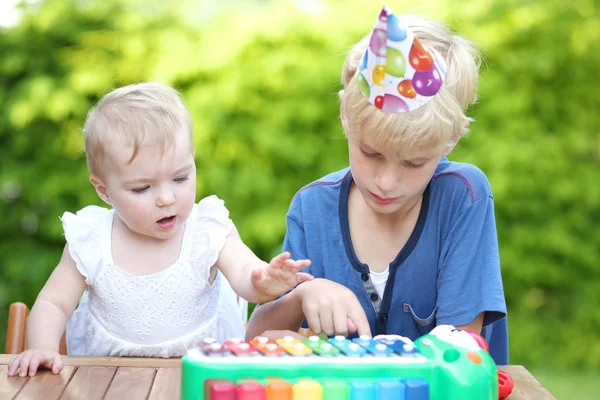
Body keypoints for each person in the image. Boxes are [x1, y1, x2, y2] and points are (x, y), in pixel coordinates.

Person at [246, 6, 509, 364]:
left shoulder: (462, 195)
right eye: (370, 153)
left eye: (414, 162)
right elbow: (256, 340)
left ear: (451, 141)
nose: (385, 182)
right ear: (344, 115)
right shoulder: (311, 207)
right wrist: (305, 294)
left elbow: (458, 357)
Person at [7, 82, 312, 377]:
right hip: (106, 383)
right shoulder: (92, 239)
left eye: (180, 178)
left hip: (200, 381)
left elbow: (245, 273)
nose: (167, 198)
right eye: (142, 188)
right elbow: (53, 302)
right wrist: (43, 347)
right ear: (103, 191)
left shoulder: (206, 228)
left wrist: (265, 281)